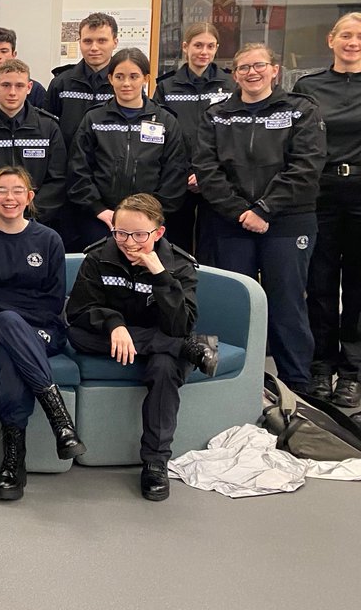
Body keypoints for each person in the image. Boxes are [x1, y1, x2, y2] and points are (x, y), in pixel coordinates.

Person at [65, 193, 219, 501]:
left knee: (165, 367)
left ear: (158, 232)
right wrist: (114, 324)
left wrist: (161, 276)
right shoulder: (98, 257)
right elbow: (78, 313)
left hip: (161, 341)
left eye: (139, 234)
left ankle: (155, 463)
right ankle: (188, 348)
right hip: (111, 338)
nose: (128, 242)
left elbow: (179, 325)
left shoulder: (179, 265)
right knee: (75, 336)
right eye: (121, 233)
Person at [194, 43, 326, 395]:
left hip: (287, 221)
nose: (252, 73)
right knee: (232, 301)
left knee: (287, 303)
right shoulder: (216, 115)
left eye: (259, 66)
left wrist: (265, 209)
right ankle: (228, 383)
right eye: (243, 68)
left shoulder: (300, 111)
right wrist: (240, 211)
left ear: (274, 70)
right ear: (234, 74)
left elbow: (307, 166)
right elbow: (207, 169)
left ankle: (297, 386)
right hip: (229, 220)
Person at [0, 166, 80, 500]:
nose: (9, 198)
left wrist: (20, 323)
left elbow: (53, 302)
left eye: (17, 190)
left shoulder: (49, 240)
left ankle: (14, 459)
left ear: (30, 197)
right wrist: (14, 318)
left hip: (41, 328)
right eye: (1, 190)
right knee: (9, 324)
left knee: (12, 355)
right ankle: (60, 420)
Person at [294, 12, 361, 407]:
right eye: (346, 36)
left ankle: (351, 371)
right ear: (331, 40)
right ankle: (320, 365)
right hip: (318, 191)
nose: (353, 43)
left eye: (359, 37)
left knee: (356, 284)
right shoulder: (309, 86)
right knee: (318, 282)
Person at [68, 48, 187, 250]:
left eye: (134, 76)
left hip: (149, 225)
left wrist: (149, 216)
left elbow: (175, 173)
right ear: (110, 79)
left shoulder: (166, 121)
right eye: (119, 76)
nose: (126, 83)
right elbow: (78, 169)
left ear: (146, 79)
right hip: (101, 221)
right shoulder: (94, 119)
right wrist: (99, 209)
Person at [152, 22, 232, 257]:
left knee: (212, 244)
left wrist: (206, 173)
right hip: (179, 179)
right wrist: (185, 172)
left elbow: (232, 136)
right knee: (177, 243)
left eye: (210, 46)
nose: (203, 52)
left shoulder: (229, 85)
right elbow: (161, 135)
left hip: (217, 178)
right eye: (198, 45)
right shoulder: (166, 86)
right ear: (185, 47)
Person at [0, 58, 67, 228]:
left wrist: (27, 212)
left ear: (29, 88)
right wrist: (1, 211)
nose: (12, 92)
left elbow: (57, 179)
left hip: (37, 222)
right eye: (6, 85)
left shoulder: (48, 128)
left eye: (19, 86)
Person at [45, 12, 118, 251]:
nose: (94, 47)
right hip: (66, 189)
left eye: (102, 40)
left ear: (115, 42)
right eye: (87, 41)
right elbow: (48, 134)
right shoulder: (61, 83)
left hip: (106, 190)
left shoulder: (123, 84)